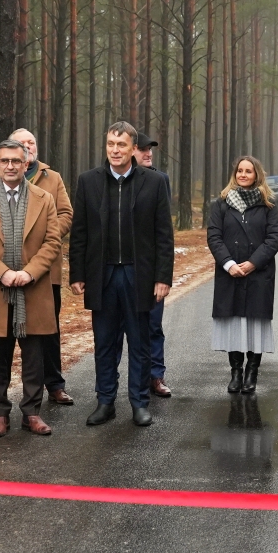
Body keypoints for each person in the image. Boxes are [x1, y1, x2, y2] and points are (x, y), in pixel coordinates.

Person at [69, 121, 173, 427]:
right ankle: (105, 401)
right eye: (111, 144)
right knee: (104, 342)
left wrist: (163, 277)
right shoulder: (88, 181)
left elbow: (164, 235)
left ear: (133, 149)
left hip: (138, 275)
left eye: (121, 145)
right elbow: (80, 232)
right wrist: (77, 272)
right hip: (102, 276)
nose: (115, 150)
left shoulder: (153, 183)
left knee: (139, 342)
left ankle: (139, 402)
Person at [0, 138, 63, 436]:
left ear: (25, 164)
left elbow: (53, 241)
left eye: (16, 161)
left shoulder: (43, 198)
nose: (10, 166)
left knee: (34, 355)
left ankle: (32, 413)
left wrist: (30, 273)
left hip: (33, 289)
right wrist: (3, 273)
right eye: (4, 161)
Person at [6, 127, 75, 405]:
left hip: (47, 270)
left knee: (48, 328)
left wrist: (45, 237)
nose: (28, 146)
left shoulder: (52, 178)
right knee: (5, 331)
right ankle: (0, 389)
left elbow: (66, 214)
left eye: (31, 142)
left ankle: (55, 384)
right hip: (8, 269)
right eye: (22, 143)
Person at [207, 155, 278, 393]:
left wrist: (252, 263)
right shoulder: (220, 204)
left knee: (254, 323)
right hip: (229, 273)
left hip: (258, 274)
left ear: (257, 174)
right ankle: (236, 372)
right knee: (234, 324)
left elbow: (273, 239)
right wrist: (228, 263)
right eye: (240, 170)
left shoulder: (268, 203)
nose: (243, 175)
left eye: (248, 171)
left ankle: (252, 372)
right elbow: (214, 236)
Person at [131, 131, 175, 397]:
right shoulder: (114, 180)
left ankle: (156, 375)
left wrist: (163, 273)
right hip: (122, 266)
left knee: (153, 325)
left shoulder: (160, 180)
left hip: (151, 266)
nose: (148, 153)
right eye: (143, 149)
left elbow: (164, 230)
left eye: (151, 150)